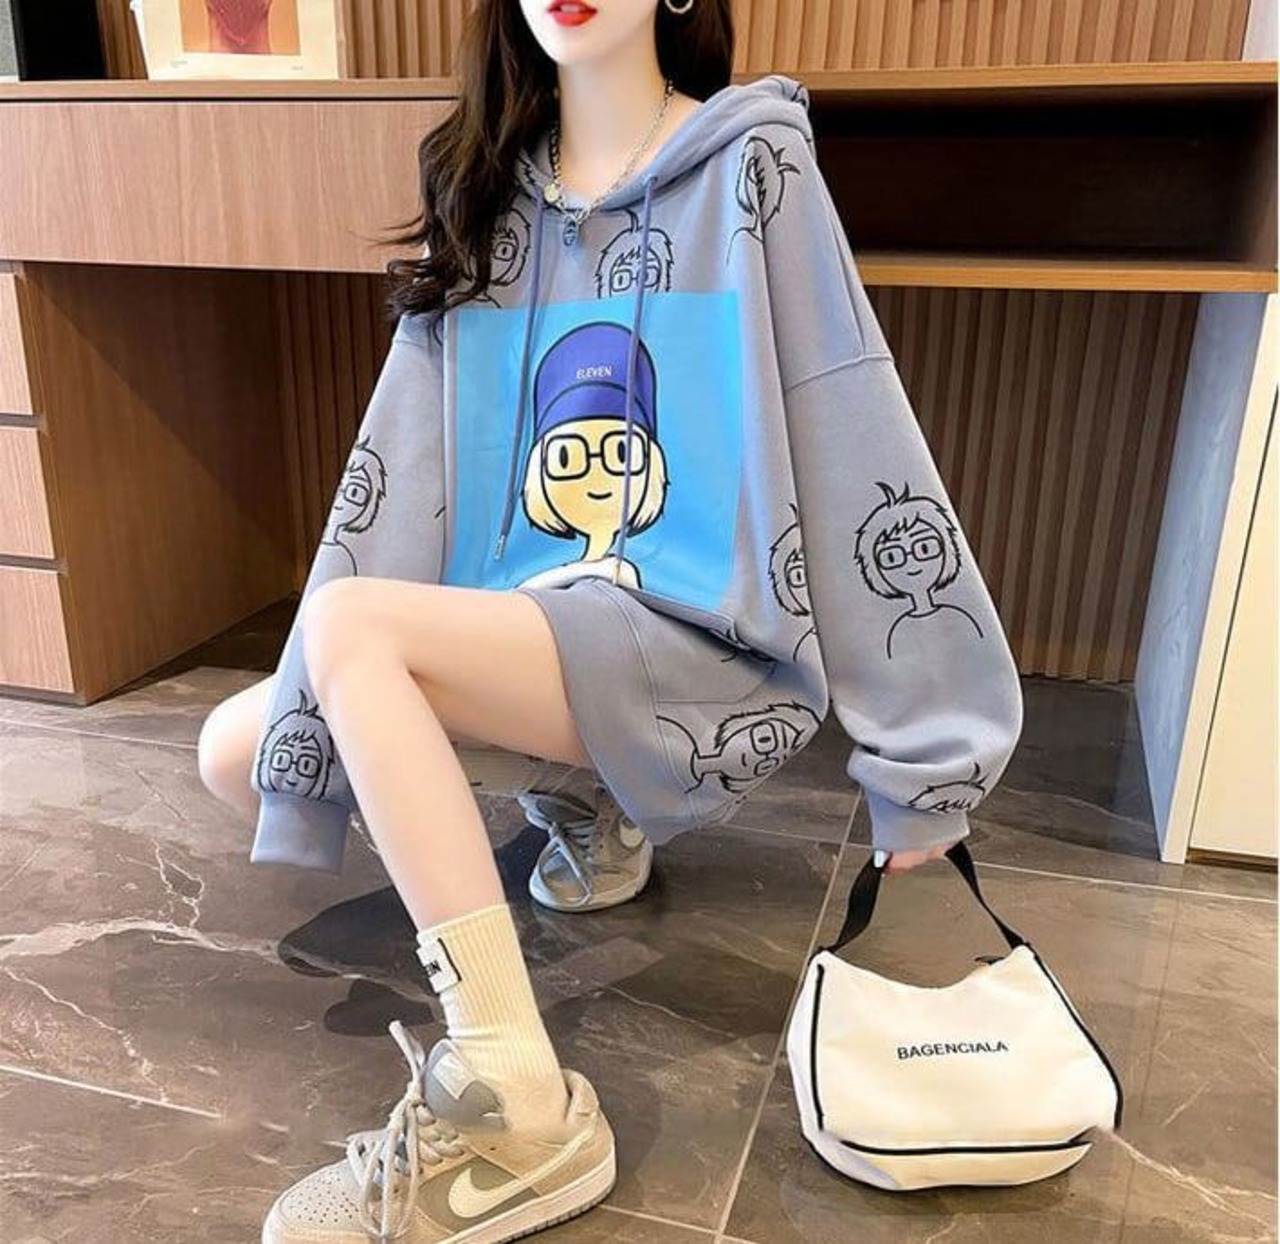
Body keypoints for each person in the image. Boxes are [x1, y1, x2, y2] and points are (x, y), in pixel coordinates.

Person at [197, 1, 1026, 1239]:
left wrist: (927, 772)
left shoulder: (750, 163)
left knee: (355, 635)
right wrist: (333, 682)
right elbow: (400, 464)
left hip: (701, 644)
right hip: (541, 629)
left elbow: (850, 425)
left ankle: (519, 1106)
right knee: (240, 748)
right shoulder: (489, 190)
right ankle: (586, 803)